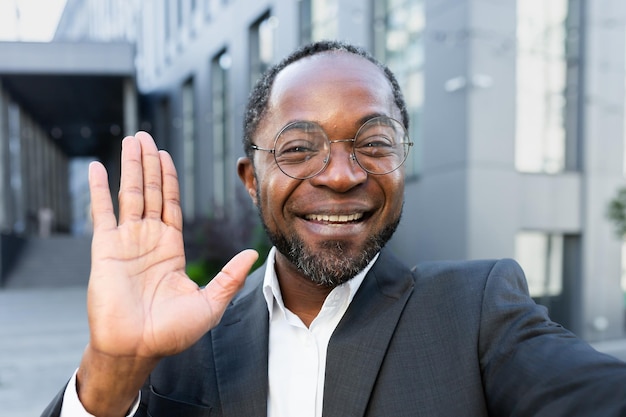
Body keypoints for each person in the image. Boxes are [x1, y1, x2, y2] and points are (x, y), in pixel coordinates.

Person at [42, 40, 626, 417]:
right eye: (299, 148)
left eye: (374, 143)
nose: (343, 176)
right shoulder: (181, 341)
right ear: (252, 178)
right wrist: (112, 366)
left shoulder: (476, 312)